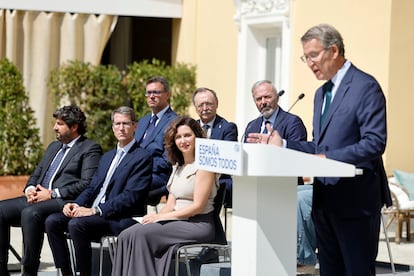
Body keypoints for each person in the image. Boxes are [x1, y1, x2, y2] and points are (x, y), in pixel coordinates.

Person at [248, 24, 391, 276]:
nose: (310, 63)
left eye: (313, 55)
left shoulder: (365, 86)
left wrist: (327, 158)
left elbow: (374, 142)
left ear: (333, 50)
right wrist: (282, 145)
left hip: (355, 201)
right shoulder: (319, 94)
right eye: (306, 57)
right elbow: (318, 146)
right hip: (324, 201)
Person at [45, 106, 152, 276]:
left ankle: (84, 273)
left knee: (77, 224)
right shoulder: (108, 156)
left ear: (135, 126)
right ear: (113, 127)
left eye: (126, 123)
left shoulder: (142, 157)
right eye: (117, 124)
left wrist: (95, 210)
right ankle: (66, 272)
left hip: (118, 216)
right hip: (94, 213)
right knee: (52, 221)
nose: (121, 128)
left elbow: (131, 196)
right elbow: (92, 187)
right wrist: (75, 204)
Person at [0, 105, 102, 276]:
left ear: (74, 126)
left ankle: (29, 270)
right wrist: (30, 189)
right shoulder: (54, 147)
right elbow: (37, 173)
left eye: (60, 124)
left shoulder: (90, 148)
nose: (55, 127)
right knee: (1, 209)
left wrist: (52, 193)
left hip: (62, 200)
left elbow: (87, 183)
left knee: (30, 213)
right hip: (38, 198)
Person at [112, 116, 220, 276]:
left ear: (197, 137)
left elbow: (198, 207)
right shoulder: (178, 166)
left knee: (141, 235)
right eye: (178, 137)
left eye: (187, 135)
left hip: (197, 224)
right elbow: (170, 203)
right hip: (176, 220)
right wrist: (155, 216)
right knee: (126, 234)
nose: (183, 140)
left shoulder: (204, 166)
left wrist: (162, 218)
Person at [243, 80, 314, 269]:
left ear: (277, 97)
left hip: (286, 186)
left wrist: (275, 149)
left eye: (267, 96)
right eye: (259, 99)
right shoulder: (252, 125)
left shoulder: (292, 122)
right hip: (255, 186)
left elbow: (298, 158)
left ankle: (296, 262)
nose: (263, 102)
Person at [134, 76, 177, 205]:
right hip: (136, 172)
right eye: (148, 92)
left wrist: (140, 166)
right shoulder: (143, 121)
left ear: (167, 95)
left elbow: (167, 161)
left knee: (125, 183)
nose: (151, 96)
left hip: (157, 175)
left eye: (156, 92)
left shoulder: (175, 122)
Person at [192, 87, 238, 208]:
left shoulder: (227, 128)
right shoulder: (191, 127)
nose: (205, 108)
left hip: (218, 179)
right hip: (193, 177)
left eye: (209, 104)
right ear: (195, 107)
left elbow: (227, 159)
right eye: (200, 105)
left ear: (217, 104)